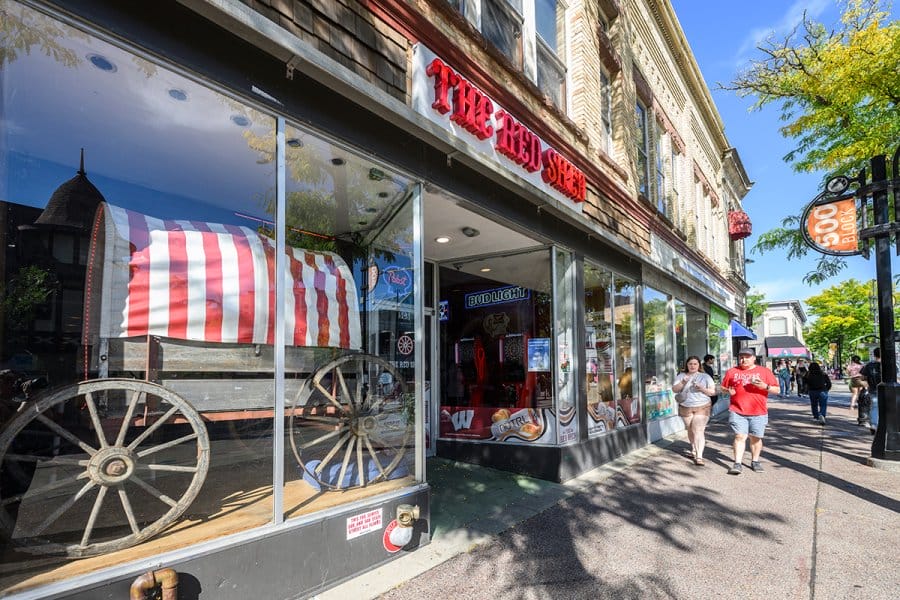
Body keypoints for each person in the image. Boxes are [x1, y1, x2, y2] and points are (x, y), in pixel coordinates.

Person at [721, 348, 779, 475]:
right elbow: (723, 387)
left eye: (747, 357)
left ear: (754, 358)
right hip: (737, 410)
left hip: (758, 411)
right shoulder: (732, 372)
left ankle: (755, 461)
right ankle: (737, 463)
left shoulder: (764, 371)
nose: (744, 359)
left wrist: (765, 387)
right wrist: (727, 391)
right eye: (741, 357)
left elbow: (777, 390)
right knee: (739, 436)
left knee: (755, 438)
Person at [672, 356, 717, 465]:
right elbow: (674, 390)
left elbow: (712, 392)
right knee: (690, 429)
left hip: (703, 406)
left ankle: (699, 456)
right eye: (690, 364)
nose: (692, 366)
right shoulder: (681, 376)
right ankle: (693, 449)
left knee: (698, 430)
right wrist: (683, 382)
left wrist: (702, 388)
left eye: (695, 364)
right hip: (686, 406)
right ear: (687, 365)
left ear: (699, 365)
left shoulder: (705, 377)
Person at [860, 348, 881, 435]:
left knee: (874, 407)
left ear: (874, 355)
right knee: (889, 407)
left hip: (873, 388)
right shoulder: (889, 363)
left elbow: (863, 377)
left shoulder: (869, 365)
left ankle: (874, 425)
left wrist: (867, 383)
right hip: (888, 389)